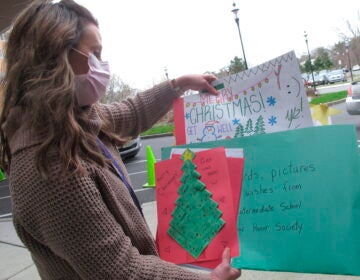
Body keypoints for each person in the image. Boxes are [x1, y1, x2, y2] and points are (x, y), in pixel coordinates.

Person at [0, 1, 241, 279]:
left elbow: (131, 112)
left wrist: (179, 84)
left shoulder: (71, 120)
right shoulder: (52, 166)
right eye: (94, 53)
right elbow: (121, 270)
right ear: (56, 56)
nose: (102, 65)